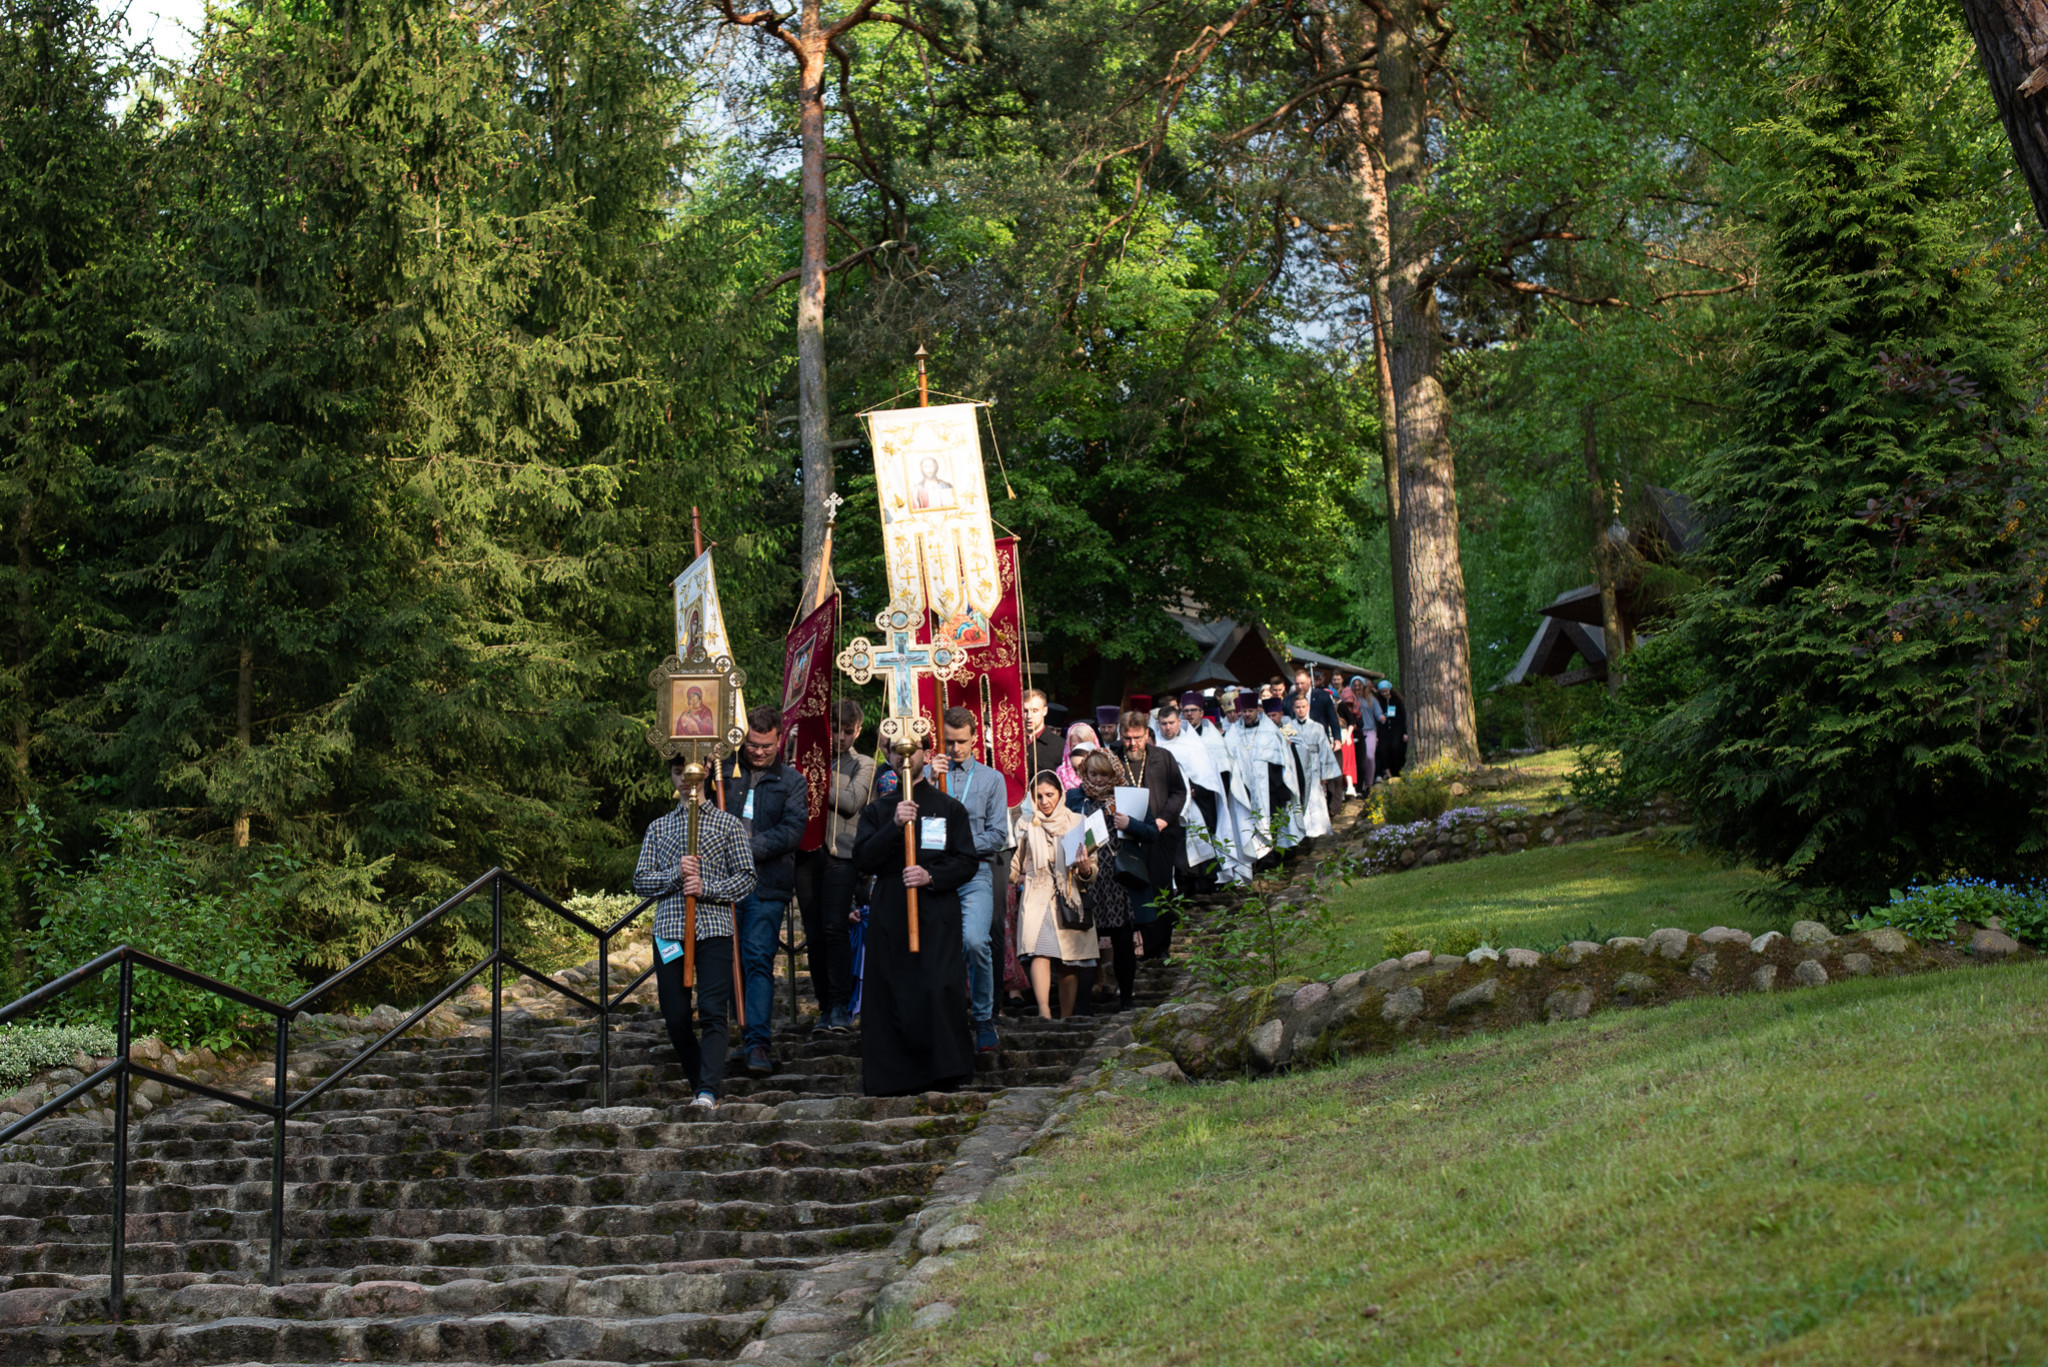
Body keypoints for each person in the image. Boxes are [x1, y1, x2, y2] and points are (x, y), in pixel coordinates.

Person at [853, 738, 980, 1095]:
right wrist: (894, 825)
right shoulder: (877, 811)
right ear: (887, 756)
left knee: (936, 985)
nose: (903, 757)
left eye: (911, 750)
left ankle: (945, 1068)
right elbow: (863, 860)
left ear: (926, 753)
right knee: (893, 989)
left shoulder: (948, 807)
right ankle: (895, 1074)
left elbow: (967, 860)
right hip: (892, 907)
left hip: (935, 907)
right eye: (894, 750)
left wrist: (931, 876)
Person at [632, 753, 758, 1108]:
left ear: (704, 773)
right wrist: (676, 873)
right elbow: (641, 880)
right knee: (675, 1015)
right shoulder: (658, 828)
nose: (685, 780)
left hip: (714, 928)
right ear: (672, 776)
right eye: (677, 772)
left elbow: (746, 878)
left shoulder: (727, 824)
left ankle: (708, 1090)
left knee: (714, 1010)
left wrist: (707, 888)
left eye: (691, 772)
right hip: (670, 929)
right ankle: (698, 1080)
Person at [713, 705, 810, 1076]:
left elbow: (792, 831)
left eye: (767, 746)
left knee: (757, 960)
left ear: (778, 740)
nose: (758, 752)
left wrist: (744, 849)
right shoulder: (722, 773)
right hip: (722, 884)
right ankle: (723, 1040)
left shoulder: (792, 781)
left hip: (766, 885)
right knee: (722, 962)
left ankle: (757, 1043)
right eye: (753, 744)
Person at [931, 706, 1009, 1052]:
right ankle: (942, 1018)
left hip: (974, 870)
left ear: (975, 739)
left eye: (962, 742)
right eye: (949, 741)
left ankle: (983, 1017)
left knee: (976, 941)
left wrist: (961, 844)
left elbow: (997, 835)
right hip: (934, 872)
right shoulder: (928, 774)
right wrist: (927, 780)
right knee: (935, 947)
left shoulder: (992, 779)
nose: (955, 749)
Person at [794, 698, 873, 1036]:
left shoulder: (865, 763)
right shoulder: (807, 758)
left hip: (842, 855)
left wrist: (814, 775)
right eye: (835, 730)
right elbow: (791, 786)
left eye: (847, 731)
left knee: (834, 928)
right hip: (807, 854)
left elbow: (853, 800)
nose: (840, 738)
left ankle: (841, 1005)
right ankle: (825, 1006)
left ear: (857, 731)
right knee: (813, 933)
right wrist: (797, 750)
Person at [1065, 748, 1159, 1011]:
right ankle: (1083, 1004)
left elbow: (1152, 833)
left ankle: (1127, 999)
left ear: (1114, 774)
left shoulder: (1126, 797)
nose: (1097, 780)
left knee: (1122, 941)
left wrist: (1131, 824)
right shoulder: (1075, 797)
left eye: (1103, 775)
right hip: (1087, 876)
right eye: (1092, 774)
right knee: (1086, 942)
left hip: (1119, 879)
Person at [1010, 771, 1099, 1019]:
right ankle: (1044, 1012)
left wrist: (1084, 868)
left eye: (1049, 794)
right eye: (1038, 796)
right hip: (1037, 894)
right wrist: (1010, 877)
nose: (1044, 801)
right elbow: (1015, 861)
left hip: (1069, 896)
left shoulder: (1076, 821)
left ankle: (1067, 1017)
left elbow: (1092, 869)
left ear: (1060, 794)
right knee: (1040, 950)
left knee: (1068, 959)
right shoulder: (1026, 823)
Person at [1118, 711, 1187, 961]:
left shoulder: (1162, 757)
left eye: (1137, 737)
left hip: (1160, 834)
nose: (1133, 744)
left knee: (1160, 888)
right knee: (1134, 890)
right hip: (1126, 836)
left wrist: (1163, 819)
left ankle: (1160, 945)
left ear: (1147, 734)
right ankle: (1140, 946)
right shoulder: (1115, 760)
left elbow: (1179, 792)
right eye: (1127, 738)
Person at [1285, 692, 1338, 839]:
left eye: (1303, 706)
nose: (1300, 710)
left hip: (1314, 765)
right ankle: (1301, 830)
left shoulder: (1318, 727)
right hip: (1297, 766)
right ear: (1293, 709)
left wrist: (1325, 773)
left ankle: (1319, 829)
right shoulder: (1289, 727)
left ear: (1308, 707)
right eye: (1297, 707)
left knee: (1316, 795)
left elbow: (1325, 751)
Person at [1289, 667, 1341, 745]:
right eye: (1297, 684)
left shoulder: (1323, 696)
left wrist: (1337, 739)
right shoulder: (1288, 700)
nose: (1299, 686)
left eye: (1302, 683)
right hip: (1298, 742)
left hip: (1320, 740)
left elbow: (1333, 719)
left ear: (1309, 681)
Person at [1023, 688, 1063, 779]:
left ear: (1044, 711)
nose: (1029, 716)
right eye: (1025, 711)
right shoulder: (1010, 743)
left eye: (1034, 710)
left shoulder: (1060, 745)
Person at [1376, 680, 1409, 779]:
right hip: (1384, 729)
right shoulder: (1380, 703)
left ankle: (1397, 770)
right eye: (1382, 692)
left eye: (1386, 691)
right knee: (1384, 749)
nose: (1384, 694)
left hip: (1397, 728)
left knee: (1396, 747)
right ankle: (1387, 771)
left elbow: (1403, 716)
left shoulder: (1397, 701)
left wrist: (1405, 732)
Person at [1055, 721, 1099, 790]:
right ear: (1069, 746)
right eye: (1074, 746)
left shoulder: (1103, 772)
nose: (1079, 748)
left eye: (1084, 744)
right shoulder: (1061, 773)